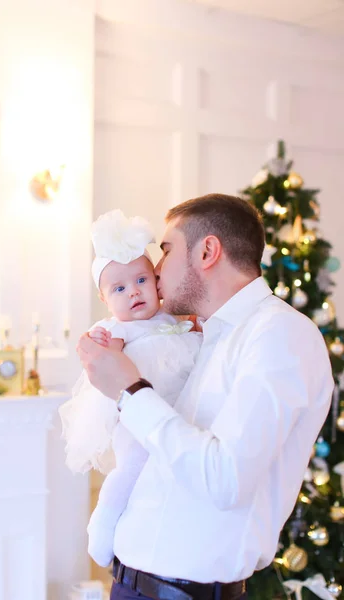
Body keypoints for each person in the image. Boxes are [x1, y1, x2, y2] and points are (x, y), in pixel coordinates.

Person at [77, 193, 334, 600]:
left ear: (208, 251)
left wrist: (130, 389)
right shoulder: (205, 336)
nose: (156, 270)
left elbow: (225, 480)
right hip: (133, 583)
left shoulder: (282, 335)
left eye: (166, 251)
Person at [59, 209, 202, 567]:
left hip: (170, 414)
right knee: (133, 465)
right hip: (133, 417)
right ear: (106, 301)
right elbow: (101, 360)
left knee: (164, 471)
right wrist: (100, 343)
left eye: (141, 280)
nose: (134, 293)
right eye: (119, 289)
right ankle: (102, 527)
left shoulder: (171, 319)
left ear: (156, 282)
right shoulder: (115, 329)